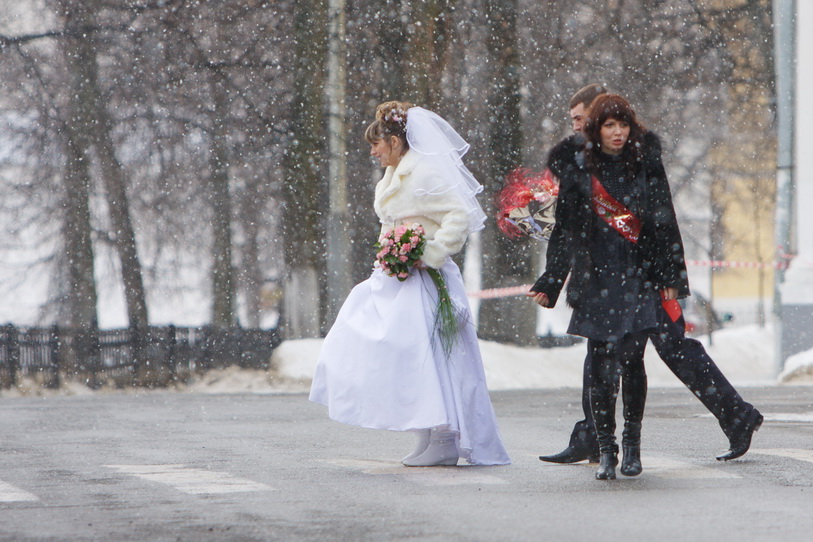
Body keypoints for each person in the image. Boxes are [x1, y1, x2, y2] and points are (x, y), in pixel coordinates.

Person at [535, 87, 763, 467]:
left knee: (669, 348)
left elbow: (663, 220)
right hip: (610, 278)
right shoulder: (581, 163)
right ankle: (595, 435)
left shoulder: (637, 160)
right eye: (573, 120)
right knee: (604, 353)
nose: (574, 126)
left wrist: (671, 275)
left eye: (580, 118)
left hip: (644, 277)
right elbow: (570, 226)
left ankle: (735, 415)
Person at [309, 101, 511, 467]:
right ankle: (425, 431)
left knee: (432, 357)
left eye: (377, 143)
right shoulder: (393, 174)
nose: (372, 151)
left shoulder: (426, 172)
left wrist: (429, 253)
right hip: (397, 278)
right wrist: (391, 255)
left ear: (396, 141)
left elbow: (458, 215)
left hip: (426, 280)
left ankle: (445, 436)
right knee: (403, 355)